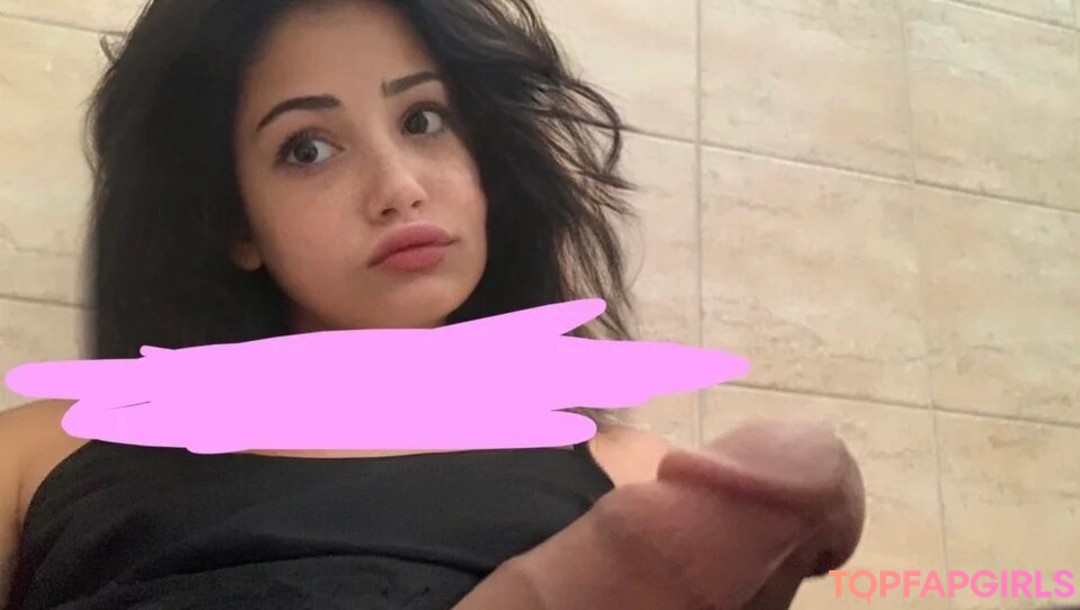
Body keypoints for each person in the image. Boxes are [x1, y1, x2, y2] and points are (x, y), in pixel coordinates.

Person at [0, 0, 866, 608]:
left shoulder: (641, 483)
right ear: (236, 224)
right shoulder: (43, 451)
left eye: (423, 120)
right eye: (307, 149)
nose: (399, 188)